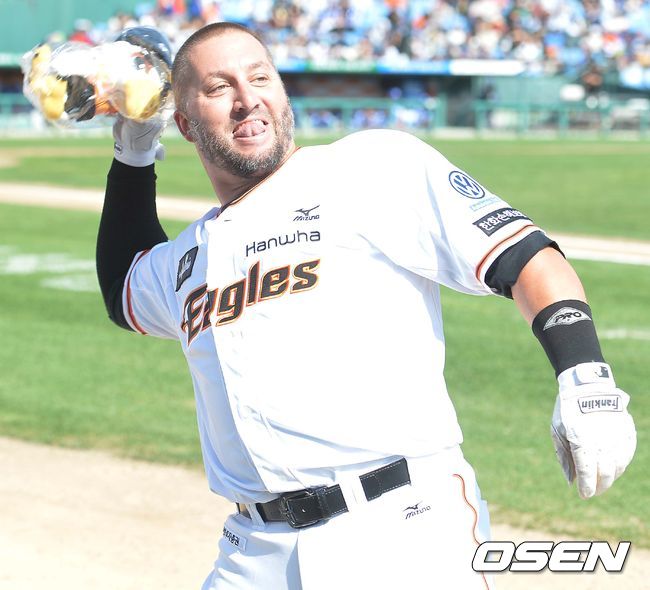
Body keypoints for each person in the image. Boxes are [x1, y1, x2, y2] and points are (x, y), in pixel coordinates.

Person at [96, 22, 637, 590]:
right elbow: (122, 285)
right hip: (254, 550)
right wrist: (134, 147)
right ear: (184, 123)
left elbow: (526, 258)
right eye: (218, 87)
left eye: (260, 77)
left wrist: (585, 377)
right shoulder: (192, 257)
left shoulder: (369, 168)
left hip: (401, 528)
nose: (247, 99)